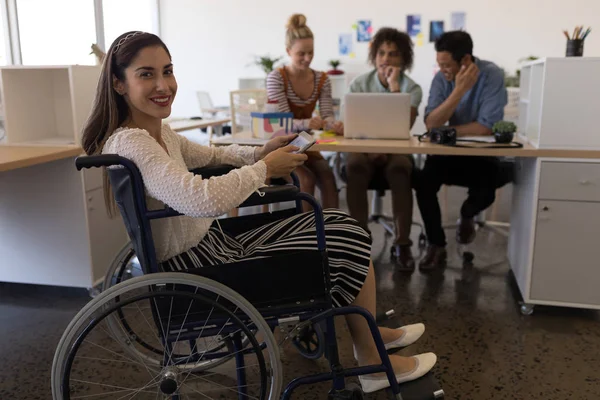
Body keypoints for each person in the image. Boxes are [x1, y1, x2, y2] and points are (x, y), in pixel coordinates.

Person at [82, 31, 436, 393]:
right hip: (199, 268)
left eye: (168, 71)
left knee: (339, 225)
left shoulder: (157, 134)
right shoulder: (134, 142)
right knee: (344, 236)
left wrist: (259, 152)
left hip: (210, 248)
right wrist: (265, 169)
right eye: (146, 74)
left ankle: (371, 338)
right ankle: (372, 359)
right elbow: (199, 199)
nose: (164, 84)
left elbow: (214, 155)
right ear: (119, 83)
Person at [415, 31, 507, 270]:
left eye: (447, 66)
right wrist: (458, 90)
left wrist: (447, 130)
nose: (443, 70)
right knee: (424, 183)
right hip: (448, 155)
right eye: (440, 65)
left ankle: (467, 215)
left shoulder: (492, 75)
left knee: (488, 189)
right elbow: (432, 124)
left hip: (482, 157)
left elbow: (486, 127)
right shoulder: (441, 80)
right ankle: (437, 244)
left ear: (465, 61)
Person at [345, 28, 422, 271]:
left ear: (403, 59)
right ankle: (360, 240)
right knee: (354, 165)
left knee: (400, 168)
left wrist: (395, 87)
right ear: (374, 56)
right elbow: (348, 127)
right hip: (362, 149)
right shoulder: (358, 84)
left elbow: (405, 125)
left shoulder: (413, 88)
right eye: (381, 53)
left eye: (393, 54)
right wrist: (370, 149)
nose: (386, 59)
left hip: (396, 152)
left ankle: (402, 243)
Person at [267, 14, 342, 212]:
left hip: (306, 143)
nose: (307, 58)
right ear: (288, 51)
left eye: (311, 52)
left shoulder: (322, 79)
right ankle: (308, 236)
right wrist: (307, 123)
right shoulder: (276, 77)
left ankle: (332, 232)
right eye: (301, 53)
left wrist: (334, 125)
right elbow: (281, 124)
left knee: (328, 178)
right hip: (280, 145)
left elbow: (327, 116)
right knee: (306, 180)